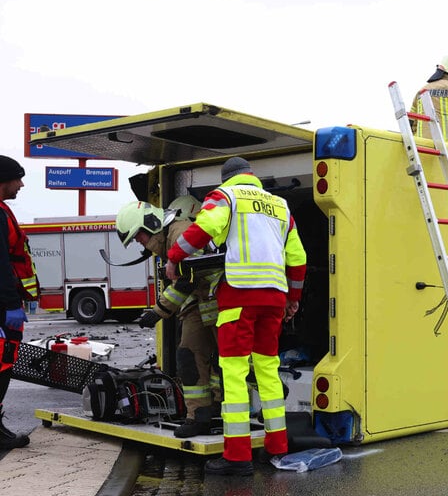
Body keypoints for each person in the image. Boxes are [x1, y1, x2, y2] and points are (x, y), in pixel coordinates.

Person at [166, 157, 307, 476]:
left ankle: (238, 456)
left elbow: (203, 230)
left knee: (234, 371)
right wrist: (293, 299)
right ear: (251, 177)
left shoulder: (224, 197)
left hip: (240, 297)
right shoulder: (280, 206)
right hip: (274, 298)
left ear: (228, 178)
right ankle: (277, 449)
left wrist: (174, 258)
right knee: (268, 371)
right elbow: (297, 258)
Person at [116, 195, 223, 438]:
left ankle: (233, 410)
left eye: (138, 237)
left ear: (149, 225)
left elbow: (188, 278)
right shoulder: (168, 238)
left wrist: (158, 312)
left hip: (221, 303)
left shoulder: (180, 231)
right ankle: (199, 416)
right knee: (188, 357)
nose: (140, 244)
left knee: (229, 362)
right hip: (201, 305)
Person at [0, 156, 37, 449]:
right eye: (17, 179)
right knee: (1, 366)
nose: (21, 185)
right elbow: (0, 264)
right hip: (2, 308)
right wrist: (11, 304)